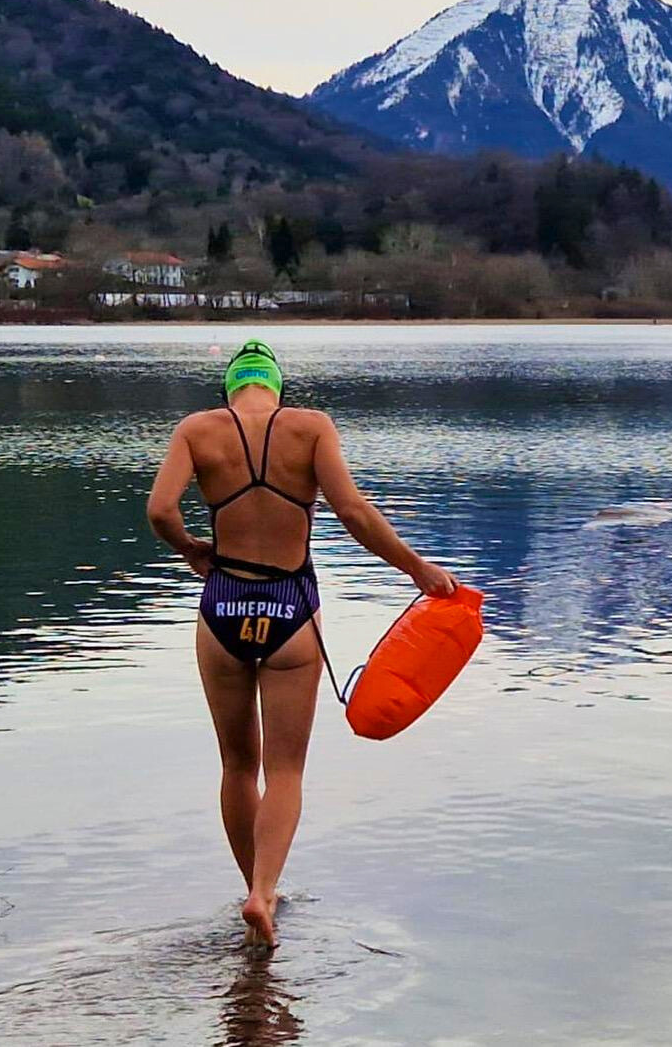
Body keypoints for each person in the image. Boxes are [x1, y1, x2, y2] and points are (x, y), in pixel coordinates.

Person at [147, 340, 456, 947]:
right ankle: (266, 892)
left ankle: (251, 889)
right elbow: (354, 512)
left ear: (232, 389)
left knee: (238, 763)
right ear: (277, 388)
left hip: (223, 608)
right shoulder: (311, 428)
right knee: (285, 768)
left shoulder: (197, 430)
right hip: (290, 610)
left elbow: (160, 510)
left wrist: (190, 549)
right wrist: (417, 569)